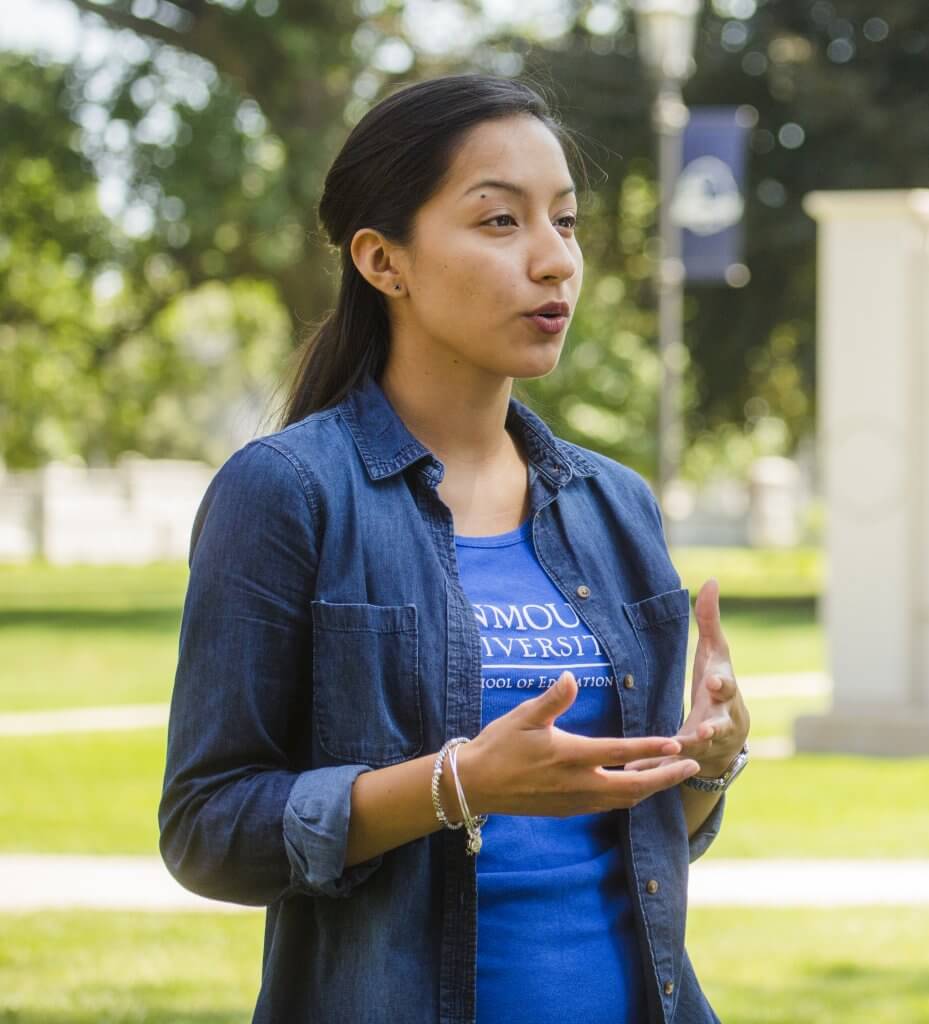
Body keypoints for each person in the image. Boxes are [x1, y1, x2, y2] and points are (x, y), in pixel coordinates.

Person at [158, 72, 751, 1024]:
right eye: (500, 221)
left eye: (565, 221)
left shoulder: (614, 506)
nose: (554, 261)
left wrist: (706, 763)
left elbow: (641, 842)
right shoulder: (288, 493)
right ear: (382, 261)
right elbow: (207, 831)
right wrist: (455, 785)